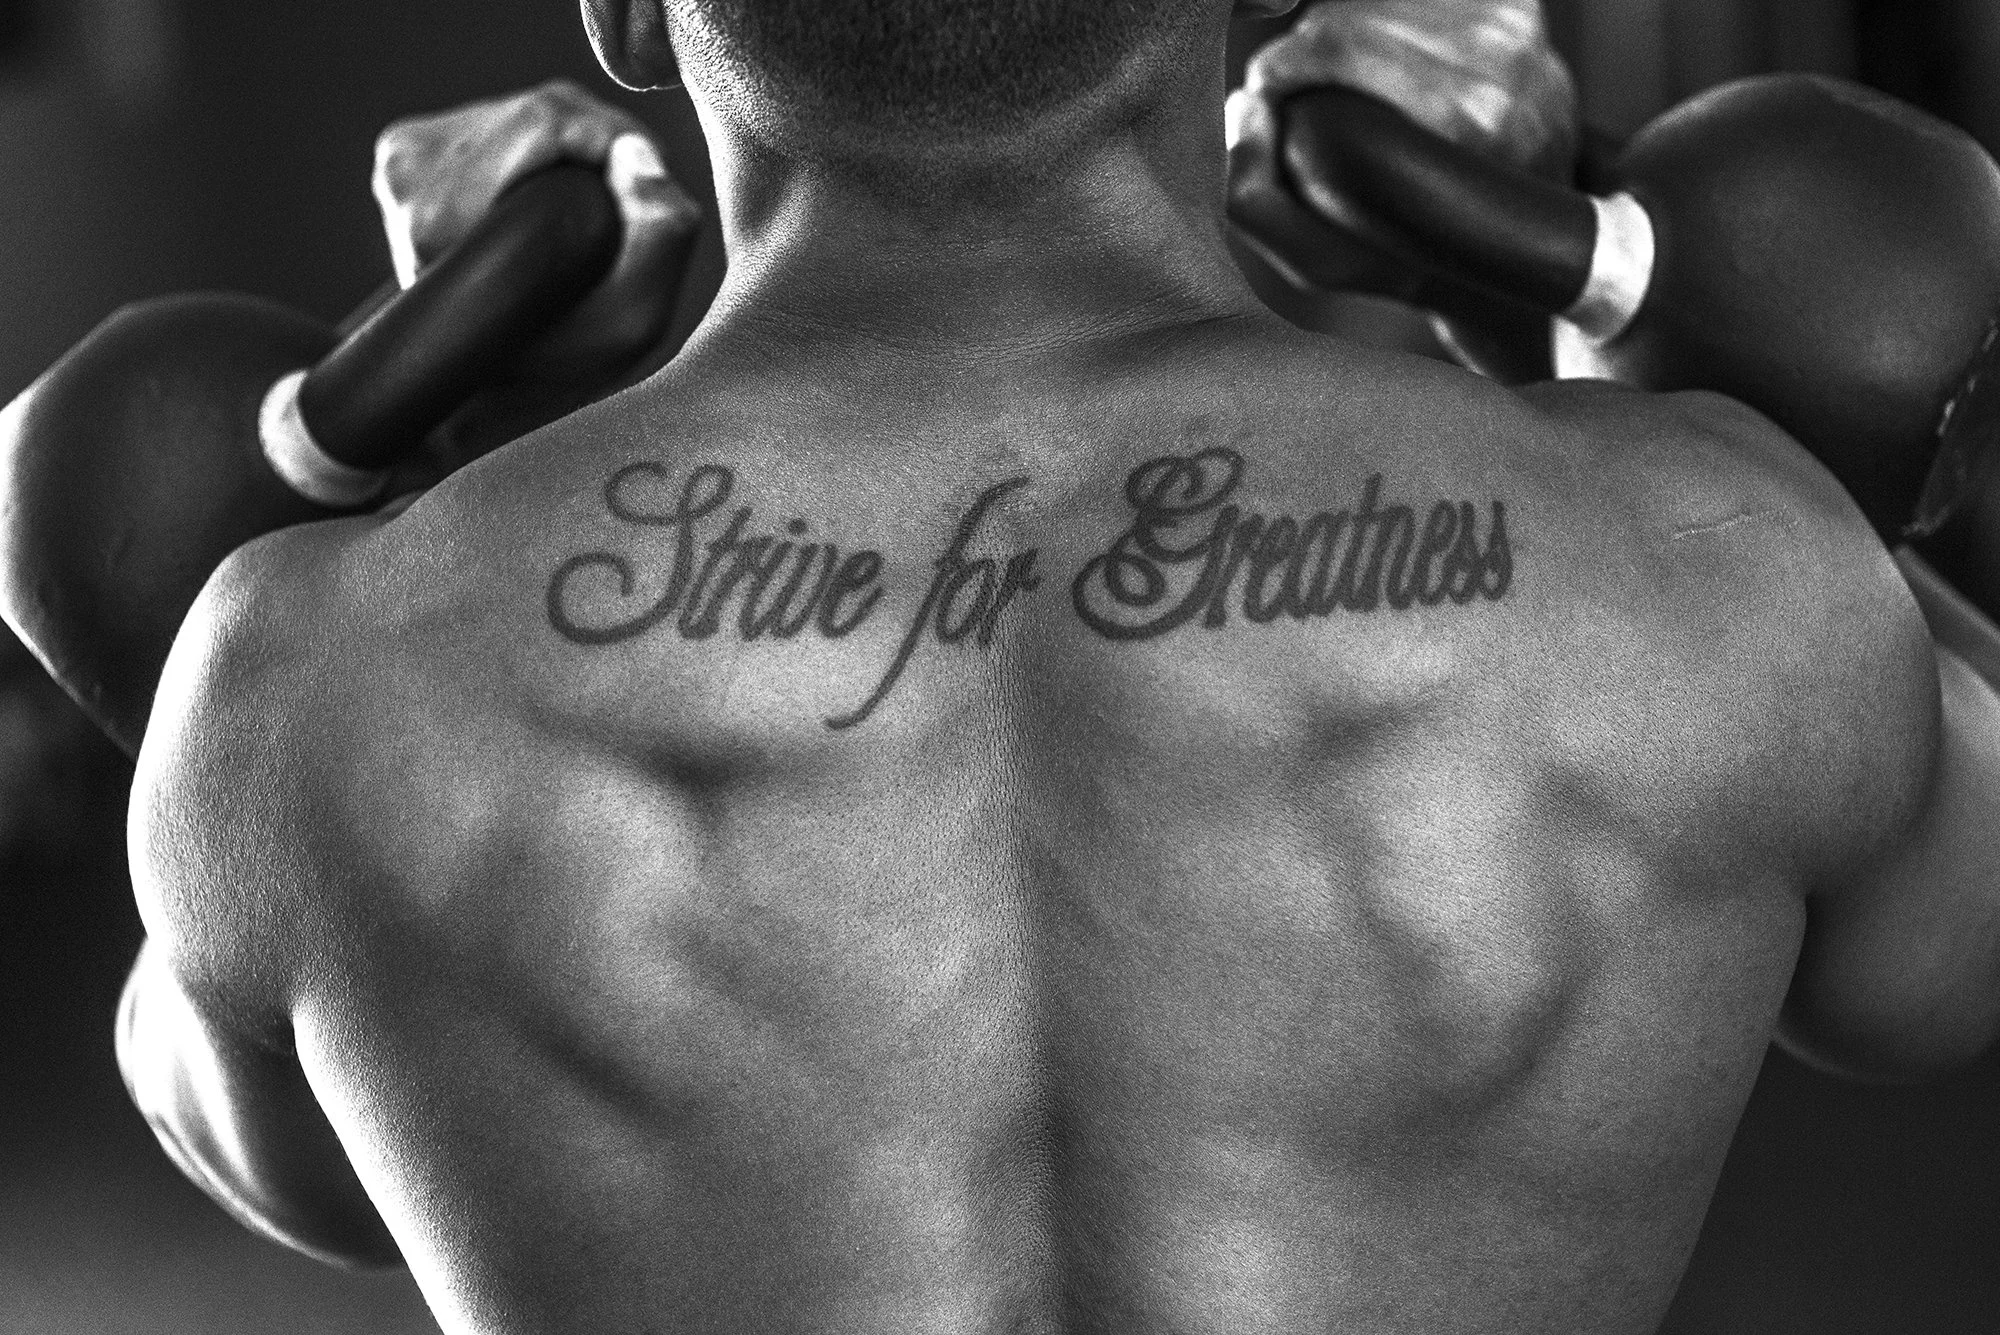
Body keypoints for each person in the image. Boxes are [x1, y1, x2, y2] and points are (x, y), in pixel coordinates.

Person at [101, 0, 2000, 1331]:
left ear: (621, 11)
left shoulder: (308, 681)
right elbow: (1950, 964)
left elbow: (266, 1142)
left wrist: (455, 424)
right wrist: (1544, 294)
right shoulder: (1717, 572)